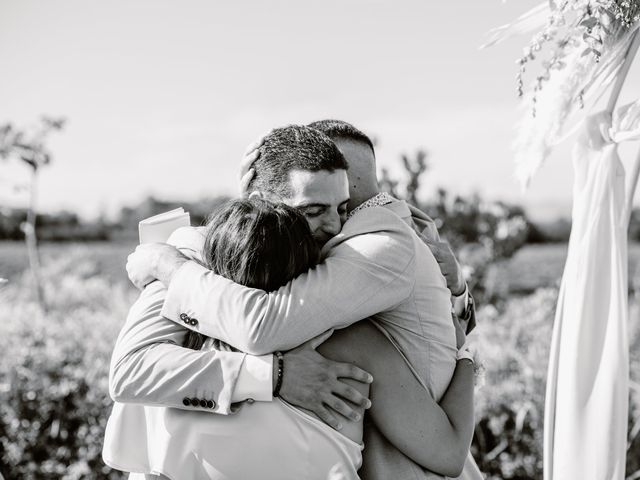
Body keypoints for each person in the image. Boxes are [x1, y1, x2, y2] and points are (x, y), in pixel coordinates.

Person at [123, 124, 482, 479]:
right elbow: (447, 450)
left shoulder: (183, 274)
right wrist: (464, 351)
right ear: (263, 202)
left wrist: (165, 264)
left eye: (344, 208)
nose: (338, 227)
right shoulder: (351, 342)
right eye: (312, 211)